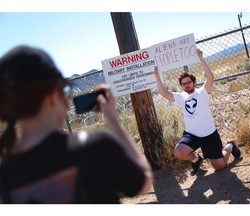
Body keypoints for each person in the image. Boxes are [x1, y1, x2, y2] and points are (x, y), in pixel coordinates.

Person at [0, 45, 153, 204]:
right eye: (65, 91)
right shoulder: (94, 146)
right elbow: (143, 183)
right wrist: (113, 120)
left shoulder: (5, 175)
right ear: (53, 95)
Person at [153, 48, 241, 174]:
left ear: (193, 82)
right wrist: (157, 76)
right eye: (183, 84)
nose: (186, 85)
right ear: (181, 86)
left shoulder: (202, 92)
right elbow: (164, 93)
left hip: (209, 135)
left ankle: (230, 145)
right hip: (192, 135)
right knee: (179, 152)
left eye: (188, 82)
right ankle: (196, 159)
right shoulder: (181, 97)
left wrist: (201, 59)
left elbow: (210, 77)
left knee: (219, 167)